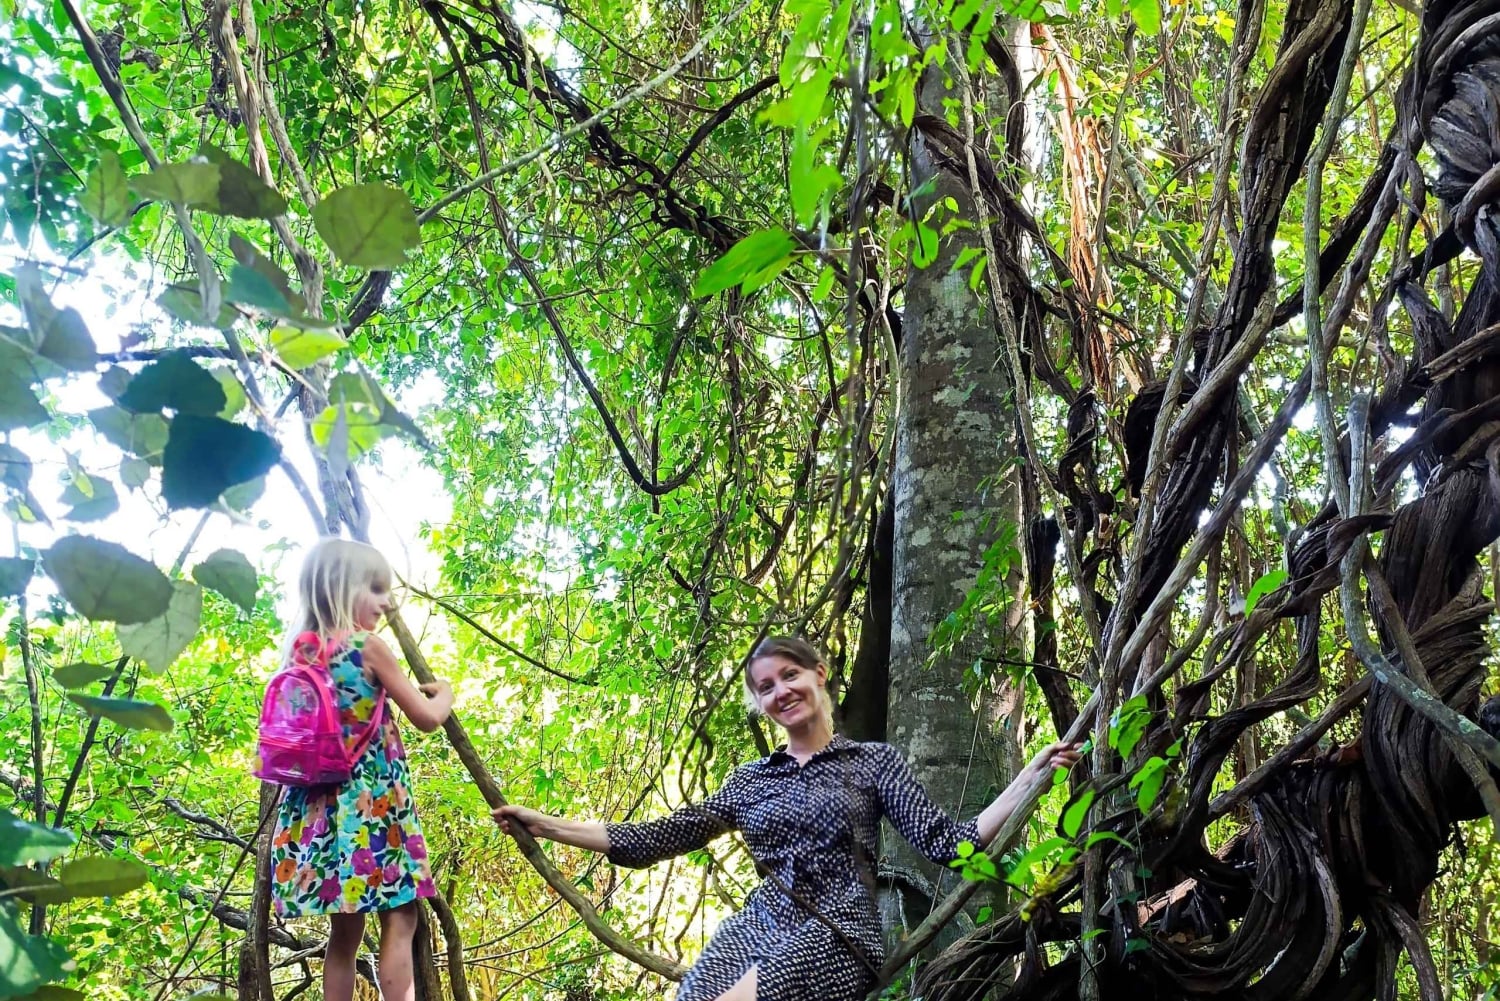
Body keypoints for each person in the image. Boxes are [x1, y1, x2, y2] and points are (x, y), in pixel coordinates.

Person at [493, 635, 1081, 1001]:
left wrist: (1031, 777)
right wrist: (547, 825)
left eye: (790, 676)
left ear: (819, 675)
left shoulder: (871, 762)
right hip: (761, 923)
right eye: (765, 687)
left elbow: (951, 842)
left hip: (838, 930)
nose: (781, 692)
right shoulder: (752, 781)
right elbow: (656, 836)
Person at [266, 538, 455, 1001]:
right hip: (372, 806)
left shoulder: (301, 653)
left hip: (318, 811)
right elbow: (427, 719)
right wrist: (445, 692)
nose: (386, 601)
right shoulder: (368, 647)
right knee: (402, 917)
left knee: (344, 934)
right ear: (341, 588)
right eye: (374, 588)